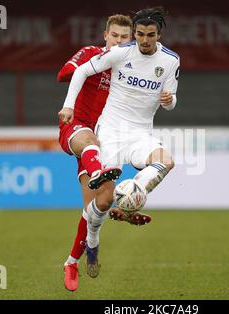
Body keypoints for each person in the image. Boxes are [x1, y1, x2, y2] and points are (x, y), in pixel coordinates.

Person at [60, 6, 180, 282]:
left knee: (168, 160)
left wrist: (169, 101)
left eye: (150, 35)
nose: (144, 40)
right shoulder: (120, 53)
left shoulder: (171, 60)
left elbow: (172, 101)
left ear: (158, 34)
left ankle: (133, 190)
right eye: (139, 35)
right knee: (101, 201)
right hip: (110, 132)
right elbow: (79, 73)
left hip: (140, 133)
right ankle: (91, 243)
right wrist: (68, 106)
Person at [58, 14, 149, 293]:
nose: (119, 42)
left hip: (106, 138)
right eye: (115, 36)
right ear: (105, 35)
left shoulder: (131, 66)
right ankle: (98, 173)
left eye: (125, 38)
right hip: (76, 126)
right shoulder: (92, 53)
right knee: (89, 144)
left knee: (98, 204)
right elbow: (63, 74)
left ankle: (73, 261)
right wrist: (91, 67)